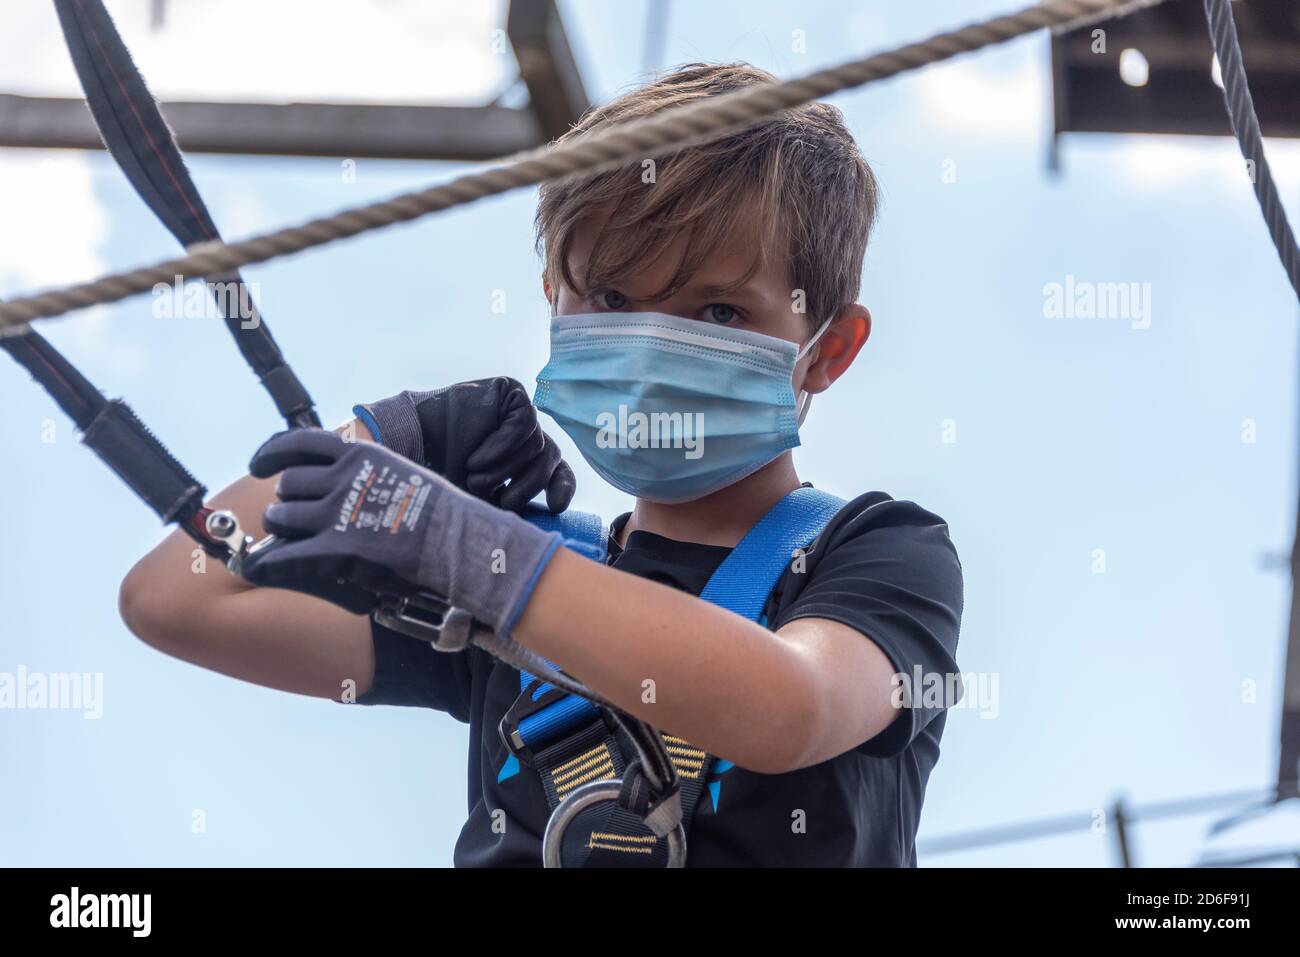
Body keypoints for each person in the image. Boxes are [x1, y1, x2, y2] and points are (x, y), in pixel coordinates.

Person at [119, 63, 963, 867]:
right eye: (612, 299)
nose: (646, 349)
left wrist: (466, 546)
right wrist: (385, 438)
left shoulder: (878, 554)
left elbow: (790, 708)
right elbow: (175, 597)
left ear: (829, 349)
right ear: (552, 300)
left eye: (718, 309)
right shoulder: (519, 579)